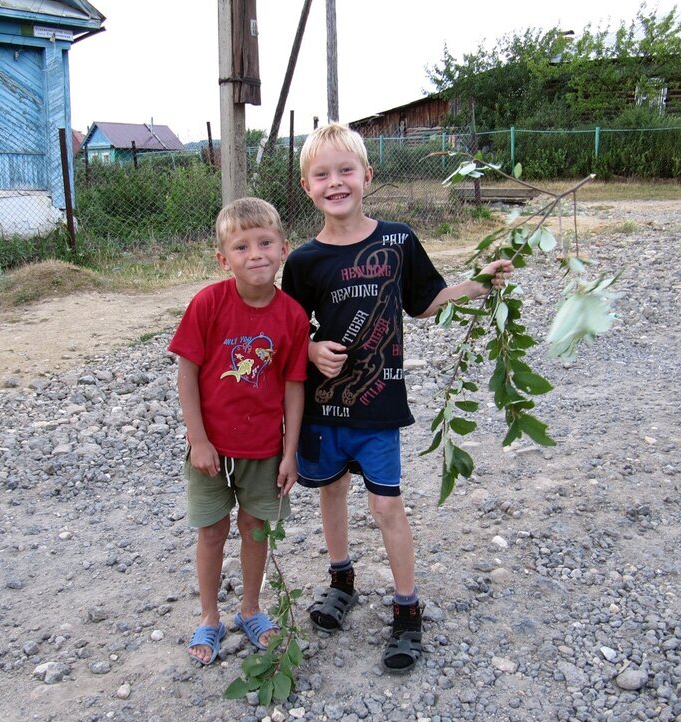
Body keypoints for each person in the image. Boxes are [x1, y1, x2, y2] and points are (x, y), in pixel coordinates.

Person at [281, 122, 513, 674]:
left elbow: (426, 301)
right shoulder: (305, 261)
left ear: (367, 175)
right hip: (324, 408)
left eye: (345, 170)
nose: (335, 182)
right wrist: (312, 351)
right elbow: (287, 331)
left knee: (387, 504)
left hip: (379, 404)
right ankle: (342, 580)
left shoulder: (397, 240)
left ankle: (407, 609)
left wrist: (477, 283)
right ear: (307, 186)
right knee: (331, 491)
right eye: (322, 174)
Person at [169, 197, 309, 666]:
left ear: (284, 248)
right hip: (211, 450)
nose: (256, 254)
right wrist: (198, 440)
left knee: (255, 529)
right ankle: (209, 616)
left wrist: (290, 453)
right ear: (223, 258)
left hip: (264, 449)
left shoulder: (291, 315)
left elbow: (293, 387)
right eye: (242, 246)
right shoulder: (208, 303)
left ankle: (250, 608)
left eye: (265, 243)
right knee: (211, 532)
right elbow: (186, 374)